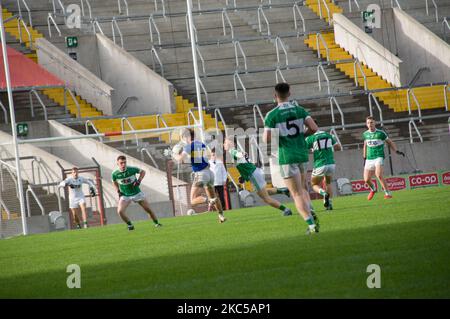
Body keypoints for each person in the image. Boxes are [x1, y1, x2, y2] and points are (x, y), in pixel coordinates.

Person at [263, 82, 320, 234]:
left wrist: (279, 135)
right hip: (301, 153)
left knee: (296, 194)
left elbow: (266, 139)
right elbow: (314, 128)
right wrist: (302, 136)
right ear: (289, 94)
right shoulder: (299, 110)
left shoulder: (272, 115)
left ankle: (311, 225)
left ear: (275, 96)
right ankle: (311, 209)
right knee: (303, 188)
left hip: (287, 156)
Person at [224, 136, 293, 216]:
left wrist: (241, 154)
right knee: (262, 193)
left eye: (225, 142)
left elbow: (239, 155)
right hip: (255, 173)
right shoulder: (234, 151)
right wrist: (243, 177)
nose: (224, 144)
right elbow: (245, 164)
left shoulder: (233, 151)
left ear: (231, 142)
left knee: (266, 198)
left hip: (254, 175)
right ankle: (282, 190)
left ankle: (286, 210)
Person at [172, 129, 226, 223]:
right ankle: (221, 215)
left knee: (192, 200)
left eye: (183, 137)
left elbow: (180, 159)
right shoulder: (200, 144)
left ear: (186, 137)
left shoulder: (188, 146)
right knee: (214, 196)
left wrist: (174, 155)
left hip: (201, 174)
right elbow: (204, 157)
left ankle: (209, 201)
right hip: (209, 173)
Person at [112, 155, 162, 231]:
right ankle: (130, 225)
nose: (123, 164)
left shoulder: (131, 169)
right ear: (117, 164)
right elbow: (114, 182)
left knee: (148, 209)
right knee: (120, 211)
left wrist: (139, 181)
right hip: (125, 195)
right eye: (121, 163)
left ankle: (156, 223)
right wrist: (118, 191)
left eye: (125, 162)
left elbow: (143, 172)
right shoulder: (115, 173)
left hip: (137, 193)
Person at [363, 116, 404, 200]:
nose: (370, 124)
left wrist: (396, 151)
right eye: (368, 123)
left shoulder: (381, 133)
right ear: (366, 124)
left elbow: (390, 142)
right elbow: (365, 145)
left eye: (371, 122)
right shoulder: (365, 134)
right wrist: (364, 157)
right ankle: (373, 189)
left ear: (375, 123)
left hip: (379, 156)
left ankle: (387, 193)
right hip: (369, 158)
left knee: (378, 174)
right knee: (366, 179)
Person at [305, 130, 342, 211]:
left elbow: (303, 149)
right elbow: (338, 147)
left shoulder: (311, 138)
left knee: (314, 184)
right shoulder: (328, 135)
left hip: (320, 164)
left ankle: (323, 193)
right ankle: (329, 205)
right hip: (331, 164)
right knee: (328, 183)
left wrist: (314, 149)